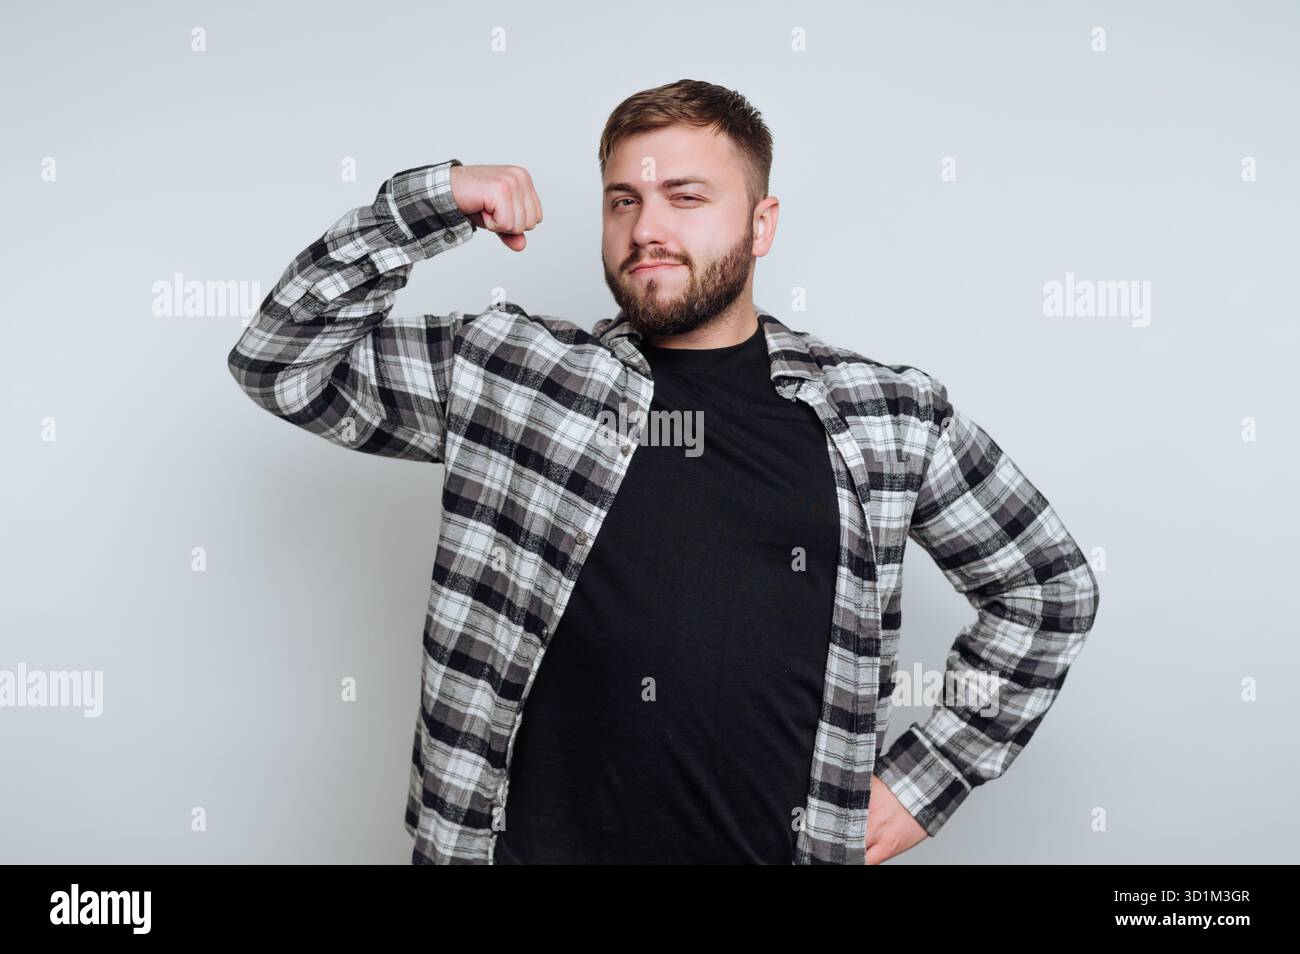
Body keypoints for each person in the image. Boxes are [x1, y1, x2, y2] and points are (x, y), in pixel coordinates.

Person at [226, 78, 1100, 865]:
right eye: (622, 201)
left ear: (761, 224)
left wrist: (921, 783)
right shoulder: (510, 373)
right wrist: (431, 200)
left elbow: (1048, 590)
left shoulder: (886, 416)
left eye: (685, 198)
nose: (646, 228)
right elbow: (279, 362)